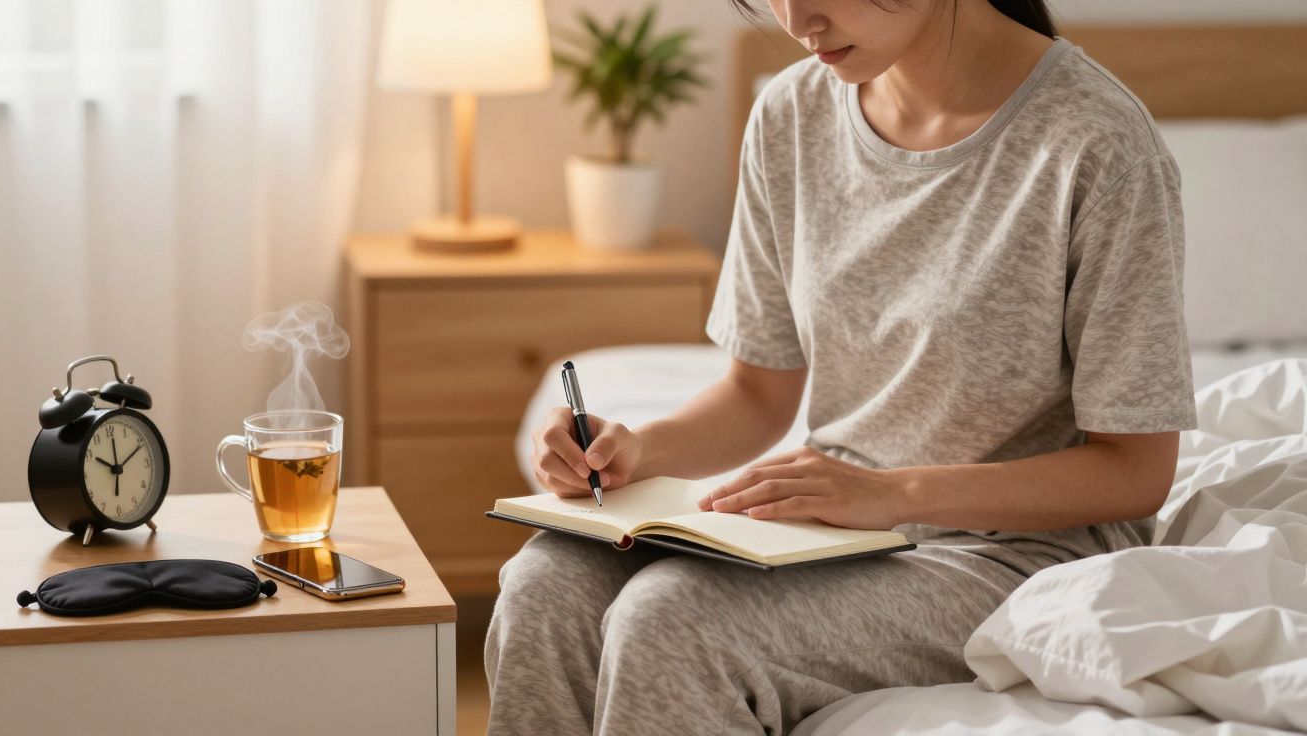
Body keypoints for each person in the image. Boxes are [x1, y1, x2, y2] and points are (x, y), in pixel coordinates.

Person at [486, 0, 1198, 733]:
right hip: (830, 525)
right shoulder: (790, 114)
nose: (797, 20)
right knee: (547, 583)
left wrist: (891, 493)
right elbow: (757, 393)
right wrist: (636, 450)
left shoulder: (1100, 143)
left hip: (1008, 555)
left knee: (672, 619)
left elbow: (1136, 471)